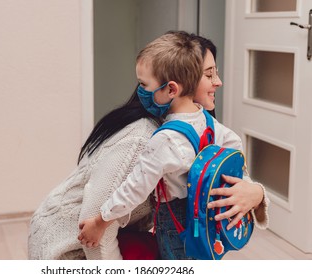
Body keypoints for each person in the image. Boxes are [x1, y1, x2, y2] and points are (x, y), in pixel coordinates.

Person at [28, 31, 269, 260]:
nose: (218, 82)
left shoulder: (205, 124)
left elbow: (232, 157)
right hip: (72, 246)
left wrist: (255, 192)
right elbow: (102, 219)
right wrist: (103, 224)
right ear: (182, 83)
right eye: (208, 74)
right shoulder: (144, 138)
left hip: (139, 228)